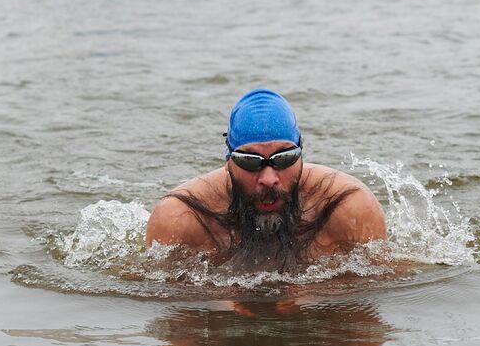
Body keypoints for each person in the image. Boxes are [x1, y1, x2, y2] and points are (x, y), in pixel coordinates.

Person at [145, 88, 387, 271]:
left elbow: (379, 290)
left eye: (284, 159)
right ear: (229, 160)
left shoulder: (347, 205)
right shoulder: (182, 216)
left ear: (301, 154)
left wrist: (308, 297)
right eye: (250, 161)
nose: (269, 179)